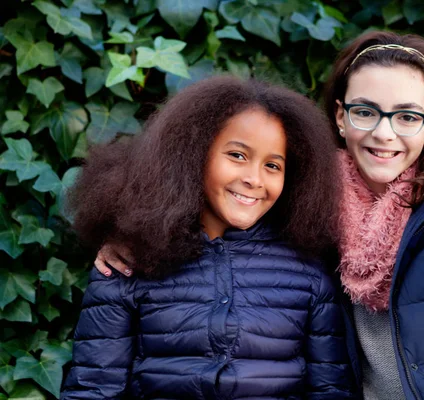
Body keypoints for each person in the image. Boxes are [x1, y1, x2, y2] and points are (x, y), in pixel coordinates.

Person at [95, 32, 424, 400]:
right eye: (367, 111)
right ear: (340, 117)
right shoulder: (306, 199)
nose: (384, 133)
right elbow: (201, 201)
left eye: (407, 116)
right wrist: (131, 235)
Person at [60, 76, 356, 399]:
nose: (254, 179)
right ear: (195, 153)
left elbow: (332, 392)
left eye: (273, 165)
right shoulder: (129, 261)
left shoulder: (309, 276)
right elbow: (92, 390)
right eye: (237, 156)